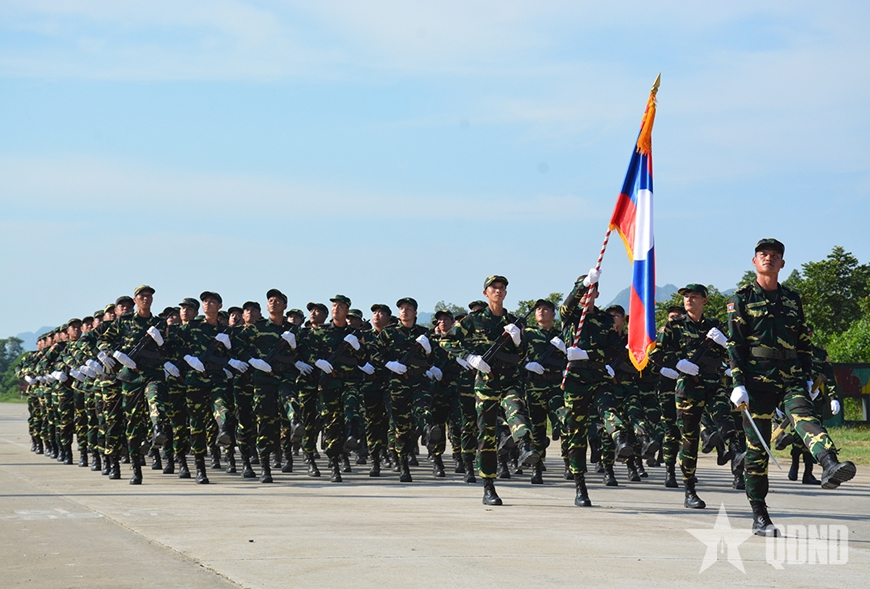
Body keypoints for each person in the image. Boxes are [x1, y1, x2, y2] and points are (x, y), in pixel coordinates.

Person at [727, 238, 856, 536]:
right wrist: (738, 383)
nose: (769, 259)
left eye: (775, 255)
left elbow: (803, 342)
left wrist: (809, 377)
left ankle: (829, 464)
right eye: (763, 254)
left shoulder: (791, 299)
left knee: (805, 418)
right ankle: (759, 514)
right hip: (755, 382)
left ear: (782, 263)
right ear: (754, 261)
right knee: (757, 451)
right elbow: (735, 344)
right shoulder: (741, 299)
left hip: (790, 376)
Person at [452, 275, 538, 505]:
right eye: (494, 288)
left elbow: (524, 355)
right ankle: (488, 486)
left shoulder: (513, 321)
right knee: (486, 435)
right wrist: (470, 357)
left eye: (502, 288)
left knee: (517, 409)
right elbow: (448, 341)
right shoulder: (473, 320)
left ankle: (524, 447)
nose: (498, 291)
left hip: (510, 379)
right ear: (485, 293)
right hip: (486, 383)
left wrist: (518, 339)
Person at [649, 284, 735, 509]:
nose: (689, 300)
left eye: (694, 296)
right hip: (688, 387)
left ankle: (736, 452)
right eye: (686, 296)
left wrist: (725, 343)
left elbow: (737, 353)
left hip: (714, 384)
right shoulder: (674, 326)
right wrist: (677, 363)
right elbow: (656, 353)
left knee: (724, 416)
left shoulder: (715, 326)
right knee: (689, 439)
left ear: (704, 301)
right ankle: (689, 490)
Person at [521, 299, 568, 485]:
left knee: (565, 423)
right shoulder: (528, 334)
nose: (541, 312)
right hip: (535, 388)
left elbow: (572, 358)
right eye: (538, 309)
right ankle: (537, 467)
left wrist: (565, 350)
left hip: (557, 387)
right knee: (536, 429)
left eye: (546, 309)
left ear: (553, 314)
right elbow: (517, 354)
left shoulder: (562, 335)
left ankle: (569, 464)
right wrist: (526, 365)